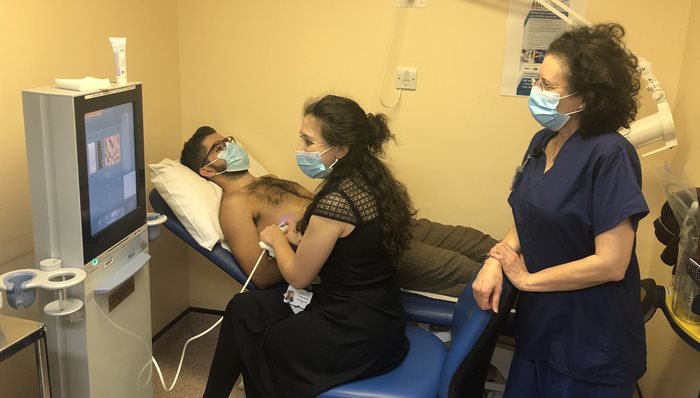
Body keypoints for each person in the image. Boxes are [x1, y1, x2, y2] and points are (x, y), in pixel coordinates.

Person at [472, 23, 648, 397]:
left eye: (548, 87)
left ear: (585, 97)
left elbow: (611, 263)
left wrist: (525, 279)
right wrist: (494, 260)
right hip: (540, 326)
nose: (536, 92)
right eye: (537, 81)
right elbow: (529, 217)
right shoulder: (543, 142)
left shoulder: (610, 155)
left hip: (591, 340)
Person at [202, 95, 413, 397]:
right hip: (377, 313)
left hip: (356, 330)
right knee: (243, 308)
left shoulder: (335, 201)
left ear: (340, 149)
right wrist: (301, 240)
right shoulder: (365, 178)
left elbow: (298, 277)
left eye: (308, 142)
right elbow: (349, 244)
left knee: (267, 343)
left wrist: (276, 239)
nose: (299, 149)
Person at [180, 129, 496, 296]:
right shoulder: (235, 203)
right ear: (206, 170)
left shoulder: (266, 181)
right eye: (219, 147)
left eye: (227, 140)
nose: (230, 146)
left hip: (383, 225)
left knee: (477, 242)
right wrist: (301, 252)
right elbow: (259, 278)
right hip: (363, 251)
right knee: (464, 270)